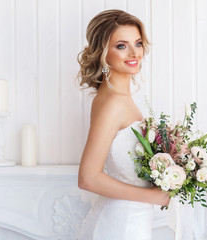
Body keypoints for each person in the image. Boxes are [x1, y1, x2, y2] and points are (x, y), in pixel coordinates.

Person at [76, 9, 170, 240]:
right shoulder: (113, 103)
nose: (134, 52)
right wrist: (155, 196)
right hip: (121, 225)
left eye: (137, 43)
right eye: (121, 45)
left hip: (132, 220)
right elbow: (88, 177)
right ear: (102, 53)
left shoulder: (118, 98)